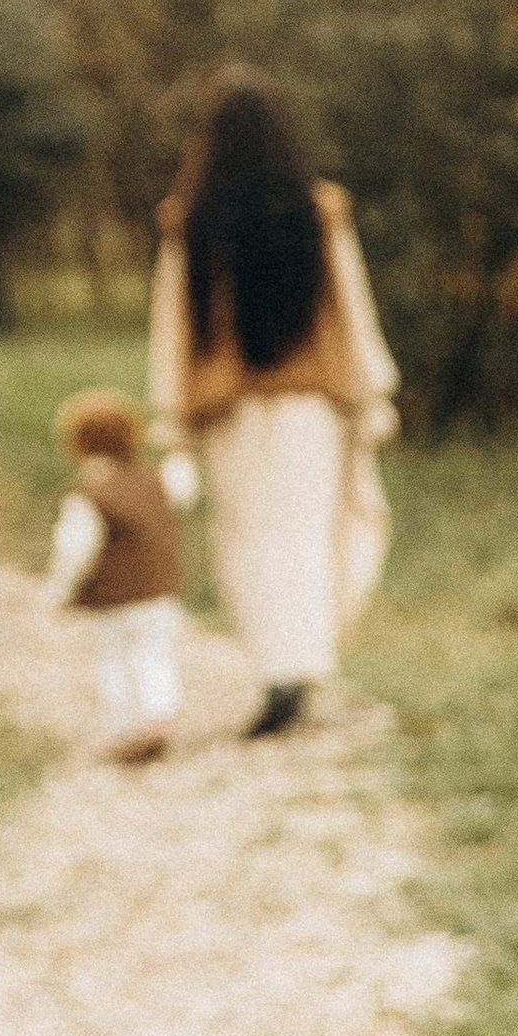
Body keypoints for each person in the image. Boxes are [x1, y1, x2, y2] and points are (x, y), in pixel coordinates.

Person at [146, 74, 398, 739]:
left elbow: (172, 326)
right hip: (313, 408)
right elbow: (349, 305)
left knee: (250, 539)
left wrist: (172, 420)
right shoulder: (317, 211)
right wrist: (371, 394)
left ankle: (277, 672)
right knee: (310, 535)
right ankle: (304, 665)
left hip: (232, 412)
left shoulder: (192, 219)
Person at [46, 389, 187, 762]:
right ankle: (159, 718)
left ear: (77, 443)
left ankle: (125, 730)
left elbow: (74, 549)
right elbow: (185, 488)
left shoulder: (88, 494)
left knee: (116, 660)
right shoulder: (156, 480)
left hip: (116, 599)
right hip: (160, 592)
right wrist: (178, 447)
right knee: (155, 653)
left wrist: (59, 593)